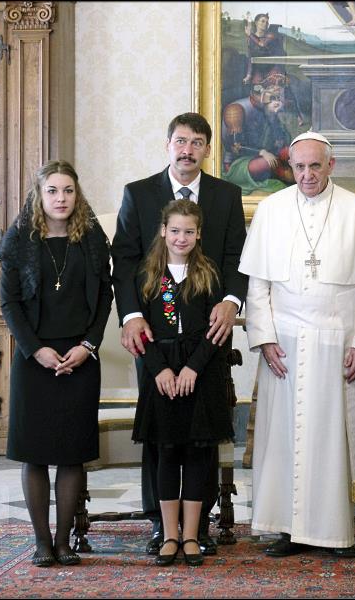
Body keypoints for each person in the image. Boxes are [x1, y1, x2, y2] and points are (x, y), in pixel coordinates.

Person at [111, 112, 248, 557]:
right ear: (168, 145)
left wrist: (233, 301)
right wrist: (132, 316)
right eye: (180, 141)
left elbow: (236, 257)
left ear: (207, 148)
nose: (187, 150)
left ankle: (198, 526)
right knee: (163, 437)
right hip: (152, 335)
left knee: (202, 437)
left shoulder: (227, 195)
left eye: (197, 142)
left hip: (210, 334)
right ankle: (161, 524)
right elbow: (124, 261)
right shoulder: (138, 193)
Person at [239, 130, 355, 558]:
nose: (306, 175)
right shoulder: (271, 210)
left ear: (330, 165)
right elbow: (257, 285)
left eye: (315, 166)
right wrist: (264, 339)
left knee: (333, 443)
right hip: (283, 347)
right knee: (284, 440)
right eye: (299, 167)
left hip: (339, 345)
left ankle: (337, 532)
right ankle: (287, 529)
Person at [0, 160, 113, 567]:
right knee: (36, 453)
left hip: (80, 357)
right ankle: (42, 542)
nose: (61, 198)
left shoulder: (91, 238)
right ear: (38, 195)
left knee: (72, 453)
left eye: (68, 191)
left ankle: (64, 542)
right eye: (53, 191)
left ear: (78, 195)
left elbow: (105, 296)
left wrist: (88, 345)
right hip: (34, 359)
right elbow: (9, 303)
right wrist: (36, 350)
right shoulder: (20, 240)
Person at [131, 199, 235, 567]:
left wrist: (192, 368)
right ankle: (169, 534)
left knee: (196, 456)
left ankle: (191, 534)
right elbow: (141, 331)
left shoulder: (209, 274)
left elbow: (216, 333)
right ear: (163, 231)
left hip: (199, 374)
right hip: (160, 374)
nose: (181, 237)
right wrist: (160, 370)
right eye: (175, 230)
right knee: (166, 454)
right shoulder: (147, 275)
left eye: (189, 231)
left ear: (199, 234)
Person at [221, 72, 295, 195]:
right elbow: (236, 147)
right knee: (270, 163)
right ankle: (289, 177)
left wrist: (274, 121)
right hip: (238, 164)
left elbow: (281, 141)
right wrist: (262, 152)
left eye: (278, 98)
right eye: (273, 98)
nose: (278, 102)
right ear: (262, 95)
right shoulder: (235, 110)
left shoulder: (267, 111)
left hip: (267, 155)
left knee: (291, 152)